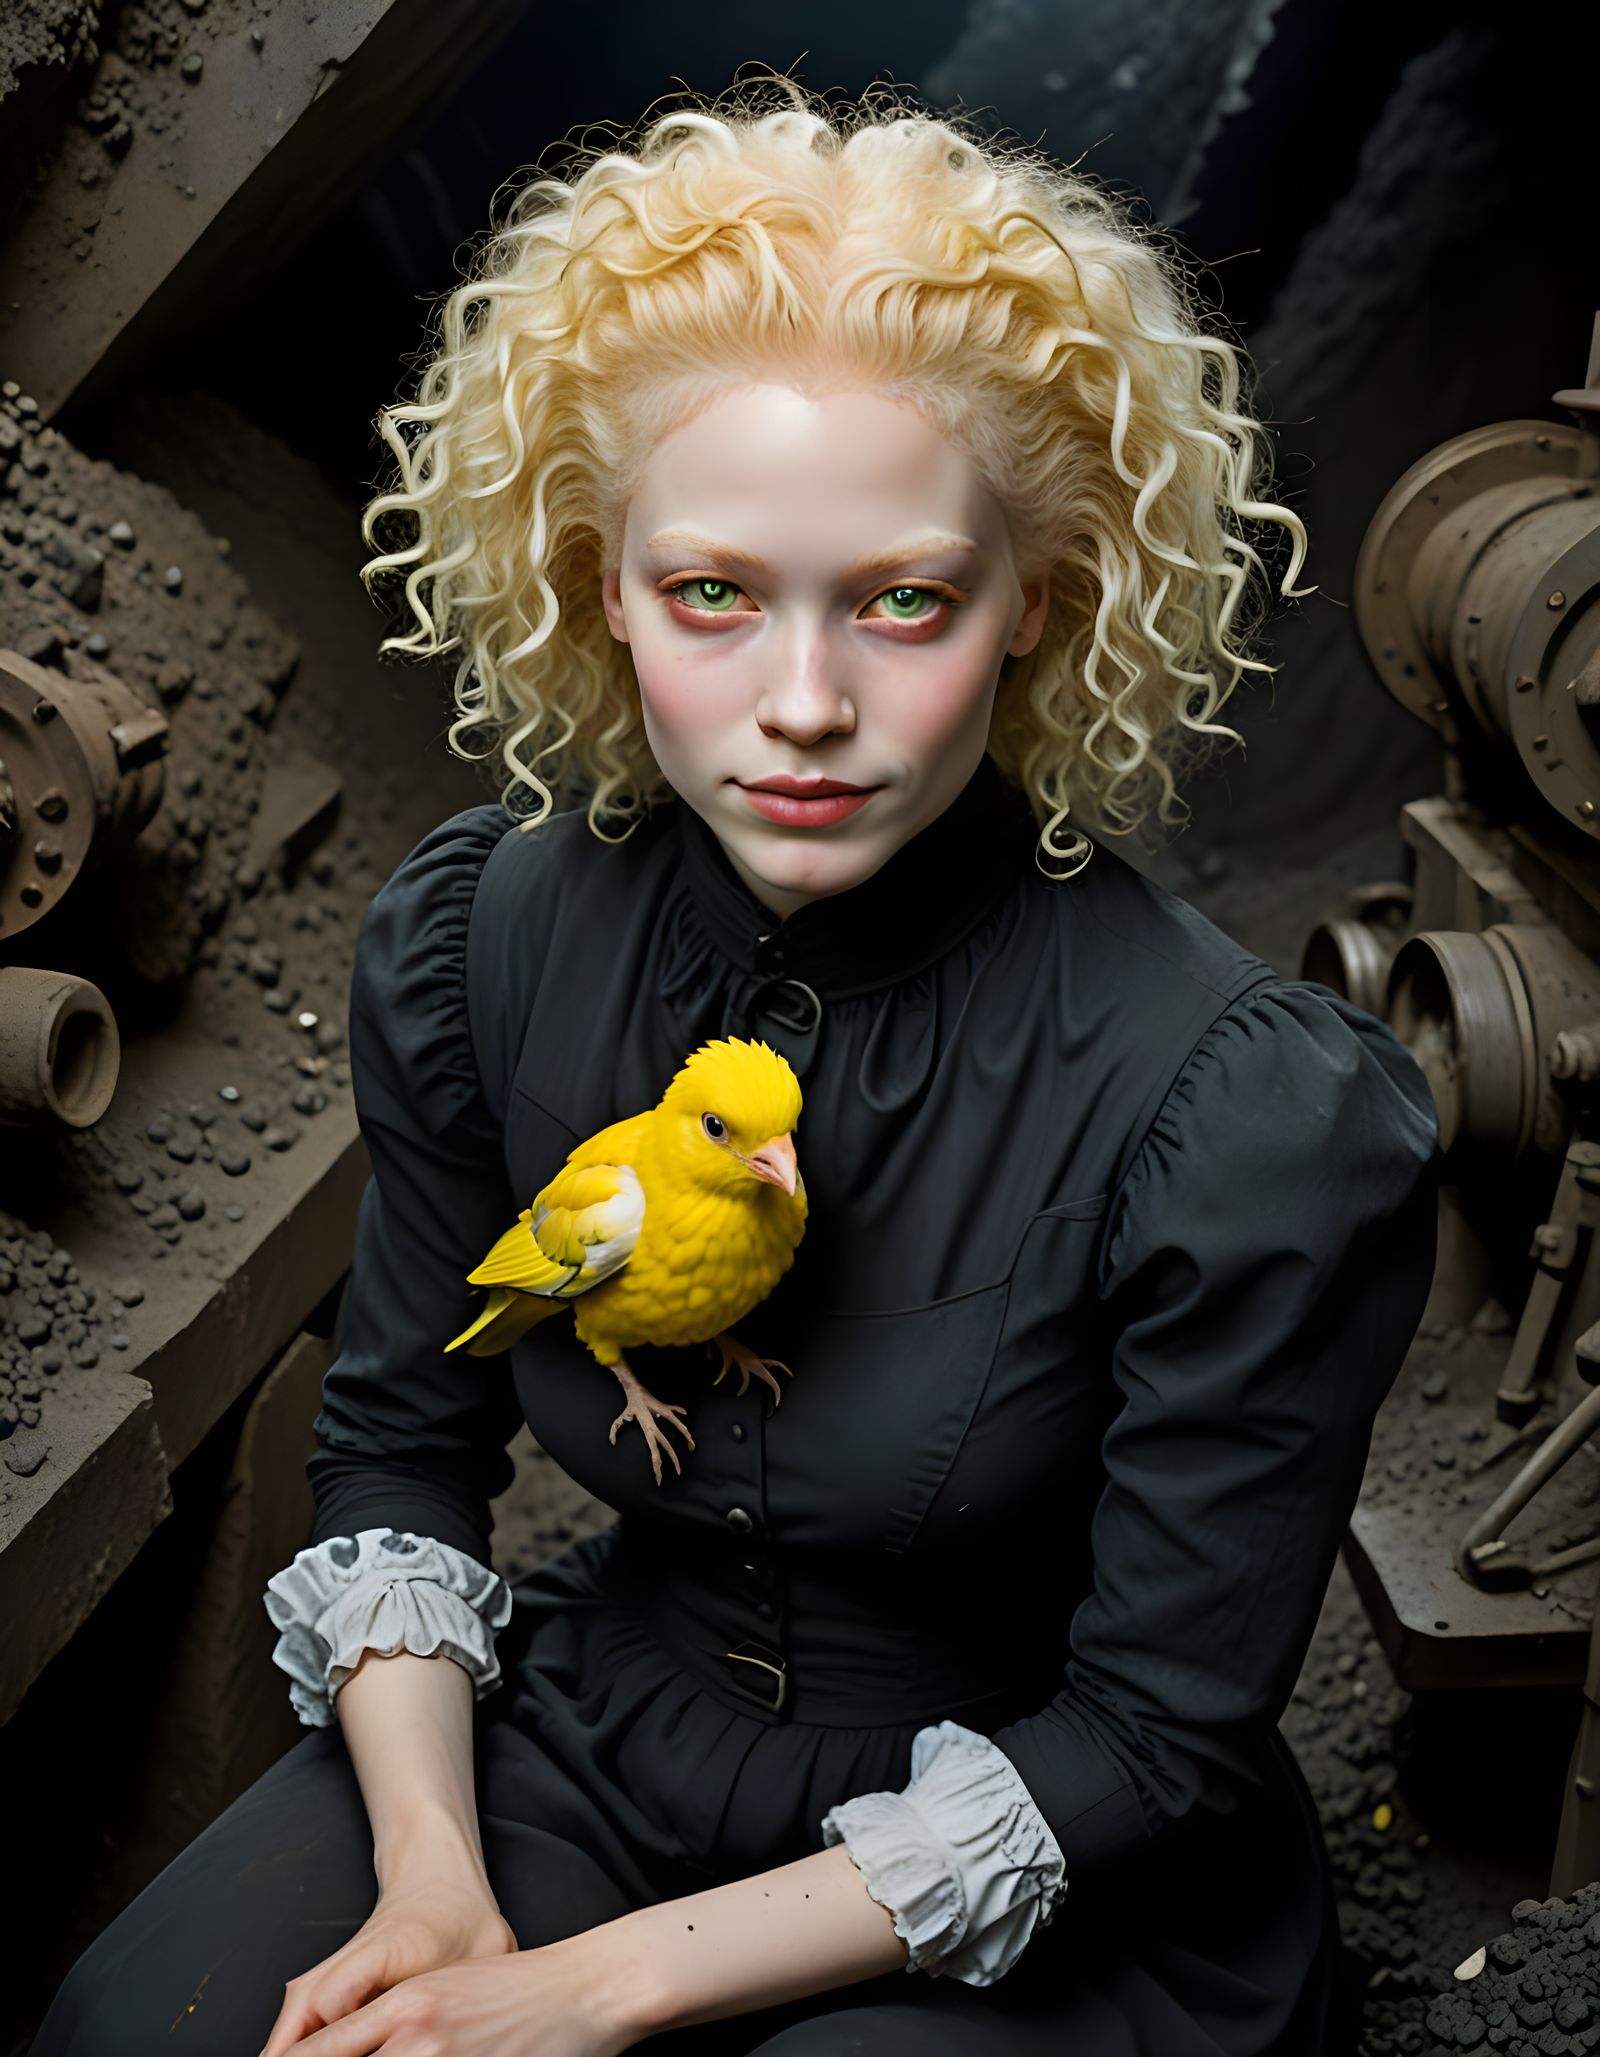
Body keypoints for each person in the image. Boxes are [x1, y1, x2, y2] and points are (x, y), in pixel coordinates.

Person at [30, 73, 1440, 2057]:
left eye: (901, 602)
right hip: (595, 1739)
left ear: (1037, 603)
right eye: (711, 593)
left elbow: (1154, 1737)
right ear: (598, 584)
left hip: (1041, 1853)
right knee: (141, 2032)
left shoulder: (1242, 1110)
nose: (802, 706)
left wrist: (592, 1993)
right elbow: (399, 1454)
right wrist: (437, 1879)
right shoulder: (476, 939)